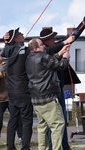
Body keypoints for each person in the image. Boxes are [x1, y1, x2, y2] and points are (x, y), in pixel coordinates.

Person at [39, 16, 85, 150]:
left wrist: (82, 24)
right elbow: (68, 40)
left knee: (60, 121)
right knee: (56, 122)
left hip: (56, 89)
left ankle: (62, 145)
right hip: (51, 92)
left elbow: (72, 37)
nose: (55, 38)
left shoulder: (51, 48)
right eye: (52, 37)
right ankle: (55, 146)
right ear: (46, 41)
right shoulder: (46, 52)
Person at [25, 38, 70, 150]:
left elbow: (48, 62)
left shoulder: (29, 59)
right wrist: (66, 57)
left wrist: (60, 53)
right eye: (41, 45)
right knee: (58, 124)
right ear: (35, 48)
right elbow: (60, 66)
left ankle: (42, 148)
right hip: (48, 98)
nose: (44, 46)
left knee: (42, 126)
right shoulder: (44, 57)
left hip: (36, 99)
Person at [1, 28, 33, 150]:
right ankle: (25, 147)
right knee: (26, 120)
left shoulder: (6, 51)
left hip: (12, 91)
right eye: (20, 34)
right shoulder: (24, 50)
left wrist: (7, 42)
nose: (23, 35)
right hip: (23, 90)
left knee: (12, 120)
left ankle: (10, 146)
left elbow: (6, 51)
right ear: (16, 39)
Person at [0, 49, 23, 149]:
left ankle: (21, 138)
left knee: (17, 119)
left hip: (10, 98)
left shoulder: (6, 64)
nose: (0, 55)